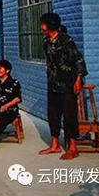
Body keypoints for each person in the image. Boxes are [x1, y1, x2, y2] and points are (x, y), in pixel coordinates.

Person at [38, 13, 88, 160]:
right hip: (53, 83)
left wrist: (78, 80)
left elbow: (79, 61)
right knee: (53, 114)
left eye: (43, 24)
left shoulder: (66, 41)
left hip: (67, 84)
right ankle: (55, 145)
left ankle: (73, 148)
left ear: (51, 25)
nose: (41, 27)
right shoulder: (46, 42)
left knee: (69, 115)